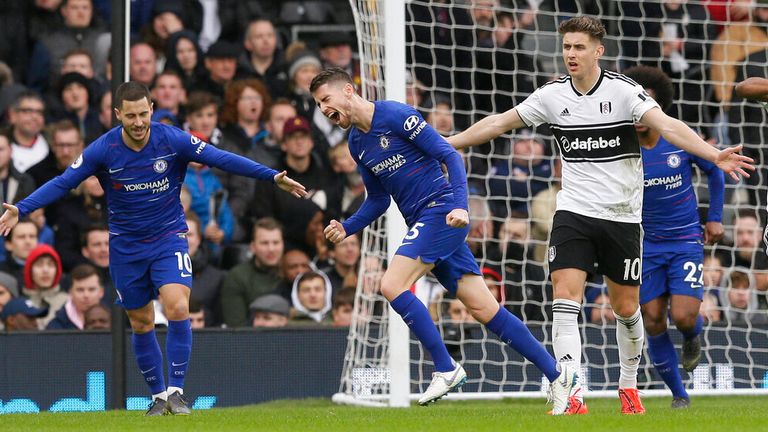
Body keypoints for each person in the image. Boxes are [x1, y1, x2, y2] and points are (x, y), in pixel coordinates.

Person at [444, 16, 753, 415]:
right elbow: (500, 122)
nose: (571, 54)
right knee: (565, 299)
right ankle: (570, 393)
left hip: (622, 218)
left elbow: (667, 125)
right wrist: (447, 144)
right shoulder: (552, 95)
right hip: (574, 211)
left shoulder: (624, 93)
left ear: (598, 51)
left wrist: (713, 154)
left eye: (578, 47)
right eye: (566, 46)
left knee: (627, 310)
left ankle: (629, 385)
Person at [0, 81, 306, 416]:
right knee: (142, 321)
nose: (138, 122)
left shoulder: (171, 139)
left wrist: (271, 175)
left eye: (143, 113)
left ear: (151, 108)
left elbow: (221, 158)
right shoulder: (103, 149)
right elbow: (63, 182)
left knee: (177, 307)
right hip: (126, 246)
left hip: (168, 237)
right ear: (118, 115)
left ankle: (176, 391)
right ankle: (159, 397)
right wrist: (22, 208)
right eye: (130, 116)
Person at [310, 67, 576, 414]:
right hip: (425, 222)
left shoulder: (396, 115)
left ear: (348, 90)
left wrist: (461, 207)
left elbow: (449, 155)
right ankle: (559, 377)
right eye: (318, 106)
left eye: (326, 100)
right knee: (484, 308)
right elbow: (377, 199)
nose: (324, 110)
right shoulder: (357, 144)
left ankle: (446, 367)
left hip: (441, 212)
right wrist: (347, 227)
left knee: (391, 284)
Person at [623, 65, 726, 410]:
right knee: (651, 318)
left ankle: (692, 335)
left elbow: (715, 172)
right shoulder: (622, 149)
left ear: (658, 108)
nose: (639, 116)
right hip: (646, 244)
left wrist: (713, 219)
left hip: (684, 241)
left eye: (645, 107)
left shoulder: (679, 138)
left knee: (682, 316)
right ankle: (679, 395)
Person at [46, 263, 104, 329]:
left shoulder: (114, 321)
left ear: (101, 292)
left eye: (91, 289)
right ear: (70, 292)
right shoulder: (55, 326)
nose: (86, 295)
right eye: (80, 290)